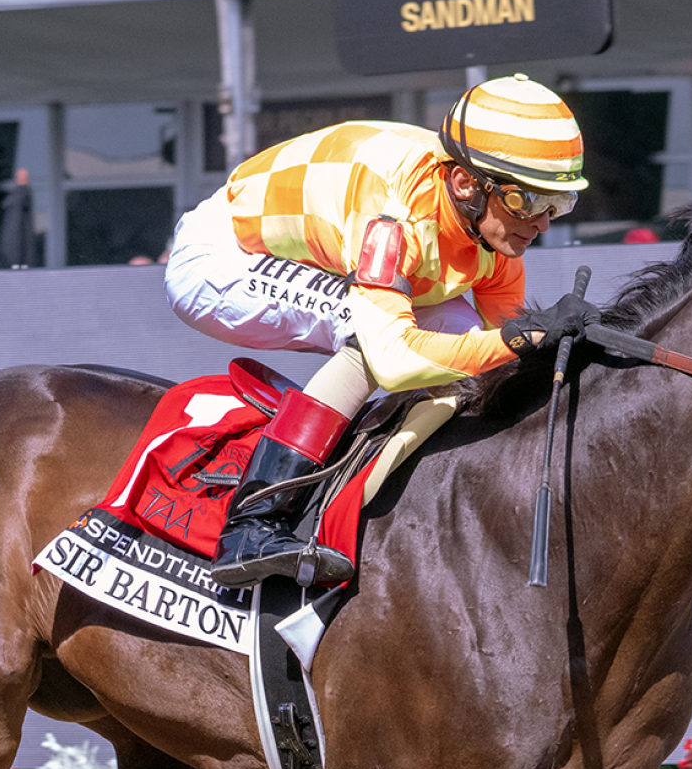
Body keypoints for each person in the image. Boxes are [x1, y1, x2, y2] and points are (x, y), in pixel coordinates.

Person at [165, 74, 599, 586]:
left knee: (456, 348)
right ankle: (255, 523)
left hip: (322, 252)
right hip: (223, 257)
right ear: (465, 184)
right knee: (371, 339)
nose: (544, 223)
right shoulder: (394, 222)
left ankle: (370, 500)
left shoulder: (491, 233)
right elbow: (395, 360)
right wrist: (517, 338)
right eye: (529, 201)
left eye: (559, 204)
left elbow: (499, 352)